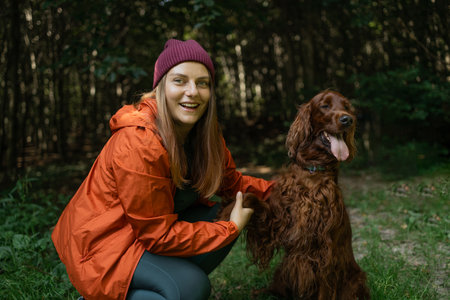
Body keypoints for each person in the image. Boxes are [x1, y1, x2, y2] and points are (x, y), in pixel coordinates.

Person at [51, 39, 274, 300]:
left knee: (220, 214)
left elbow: (232, 183)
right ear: (160, 87)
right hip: (103, 245)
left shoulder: (205, 135)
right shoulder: (138, 141)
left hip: (144, 234)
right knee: (191, 288)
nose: (193, 91)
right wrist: (231, 228)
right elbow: (157, 234)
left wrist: (283, 191)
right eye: (180, 81)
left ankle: (157, 285)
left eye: (202, 83)